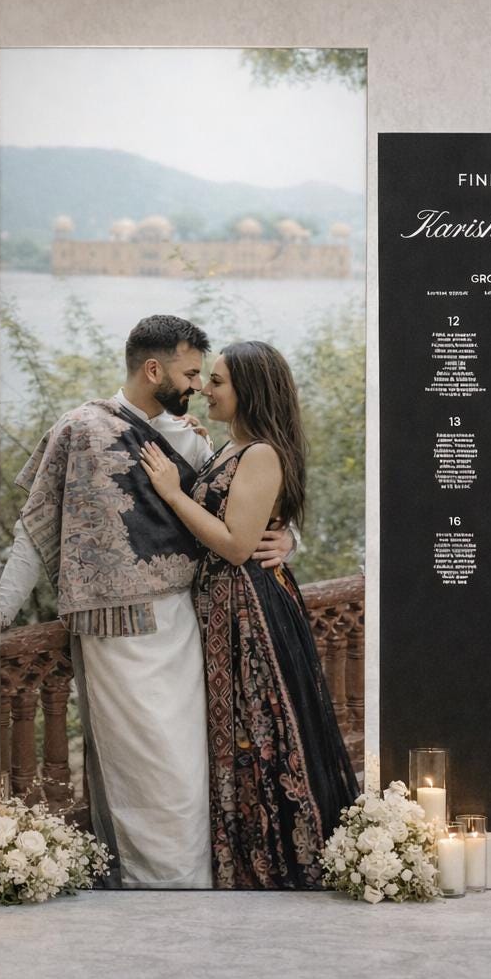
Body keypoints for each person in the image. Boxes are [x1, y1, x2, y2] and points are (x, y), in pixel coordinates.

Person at [0, 315, 293, 889]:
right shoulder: (81, 429)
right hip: (114, 630)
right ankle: (150, 891)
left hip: (187, 624)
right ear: (154, 370)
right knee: (141, 769)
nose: (198, 387)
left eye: (205, 377)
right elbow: (35, 530)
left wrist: (288, 540)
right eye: (190, 374)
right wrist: (0, 613)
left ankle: (192, 888)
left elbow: (244, 507)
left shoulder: (191, 438)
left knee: (186, 770)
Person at [140, 340, 359, 890]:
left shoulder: (261, 453)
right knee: (230, 733)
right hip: (221, 608)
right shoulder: (231, 448)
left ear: (250, 392)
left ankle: (267, 866)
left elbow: (238, 546)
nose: (204, 390)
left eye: (217, 382)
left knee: (256, 734)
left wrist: (172, 493)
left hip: (249, 612)